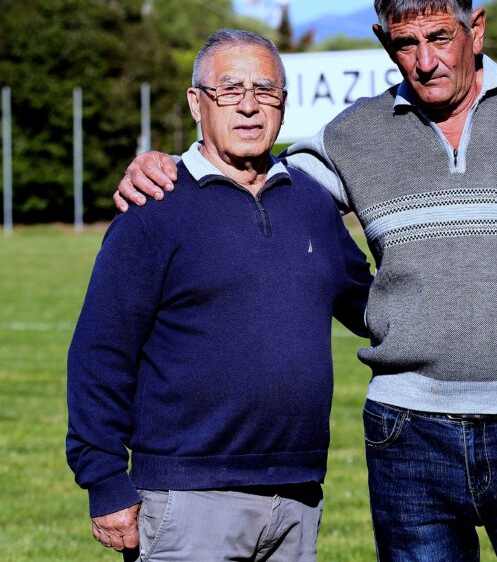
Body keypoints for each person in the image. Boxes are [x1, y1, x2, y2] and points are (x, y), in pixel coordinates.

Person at [114, 0, 497, 562]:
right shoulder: (355, 135)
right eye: (405, 44)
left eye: (440, 37)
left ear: (476, 29)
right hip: (406, 433)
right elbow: (254, 178)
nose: (425, 61)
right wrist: (170, 167)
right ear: (384, 41)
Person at [66, 29, 372, 561]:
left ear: (283, 103)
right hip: (187, 496)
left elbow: (374, 308)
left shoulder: (311, 203)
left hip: (298, 495)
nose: (249, 106)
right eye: (229, 90)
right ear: (196, 103)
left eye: (265, 90)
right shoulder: (154, 207)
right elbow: (100, 352)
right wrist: (104, 480)